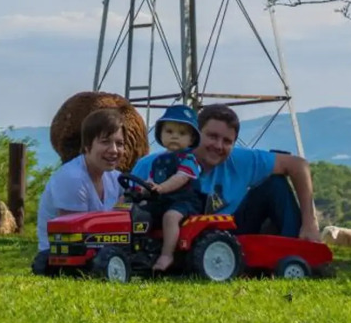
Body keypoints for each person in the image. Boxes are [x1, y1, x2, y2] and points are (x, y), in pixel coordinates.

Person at [131, 102, 321, 242]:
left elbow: (298, 165)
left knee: (275, 184)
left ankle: (298, 250)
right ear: (196, 135)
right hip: (176, 232)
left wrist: (309, 222)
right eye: (212, 136)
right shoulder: (153, 165)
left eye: (227, 141)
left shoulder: (240, 160)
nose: (218, 146)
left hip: (231, 228)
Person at [32, 107, 126, 273]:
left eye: (119, 143)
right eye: (105, 142)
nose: (114, 150)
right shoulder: (73, 178)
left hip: (99, 251)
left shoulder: (114, 178)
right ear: (87, 146)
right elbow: (72, 235)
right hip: (65, 254)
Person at [141, 104, 205, 272]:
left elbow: (180, 178)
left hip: (185, 202)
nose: (175, 136)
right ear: (161, 134)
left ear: (191, 139)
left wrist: (160, 188)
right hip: (162, 200)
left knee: (170, 217)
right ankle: (141, 250)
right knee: (139, 214)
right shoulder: (157, 160)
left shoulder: (189, 159)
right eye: (169, 132)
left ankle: (167, 255)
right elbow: (151, 180)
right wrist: (144, 190)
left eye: (182, 133)